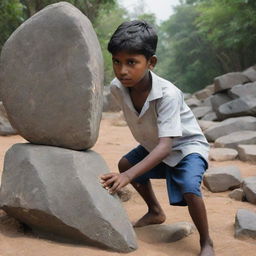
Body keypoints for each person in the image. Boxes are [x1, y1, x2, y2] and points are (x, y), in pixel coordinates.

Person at [100, 20, 214, 256]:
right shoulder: (117, 87)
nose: (122, 70)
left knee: (190, 187)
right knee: (125, 163)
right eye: (116, 62)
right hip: (155, 145)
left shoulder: (168, 94)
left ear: (151, 62)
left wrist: (128, 176)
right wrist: (128, 171)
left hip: (186, 146)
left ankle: (206, 242)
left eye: (131, 62)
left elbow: (166, 146)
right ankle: (155, 211)